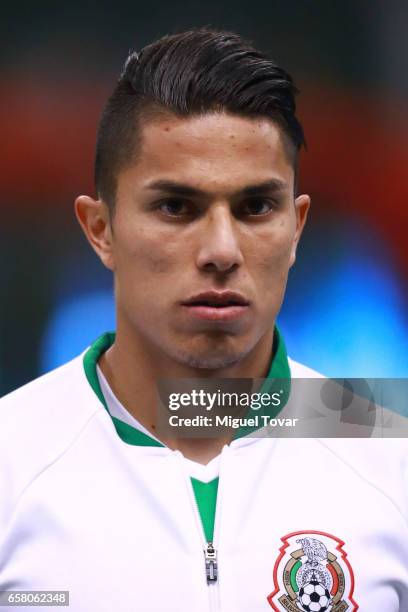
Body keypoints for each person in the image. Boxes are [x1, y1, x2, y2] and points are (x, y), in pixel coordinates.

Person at [0, 28, 407, 612]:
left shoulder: (391, 461)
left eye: (255, 207)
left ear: (296, 228)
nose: (222, 249)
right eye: (176, 207)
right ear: (101, 229)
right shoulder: (11, 461)